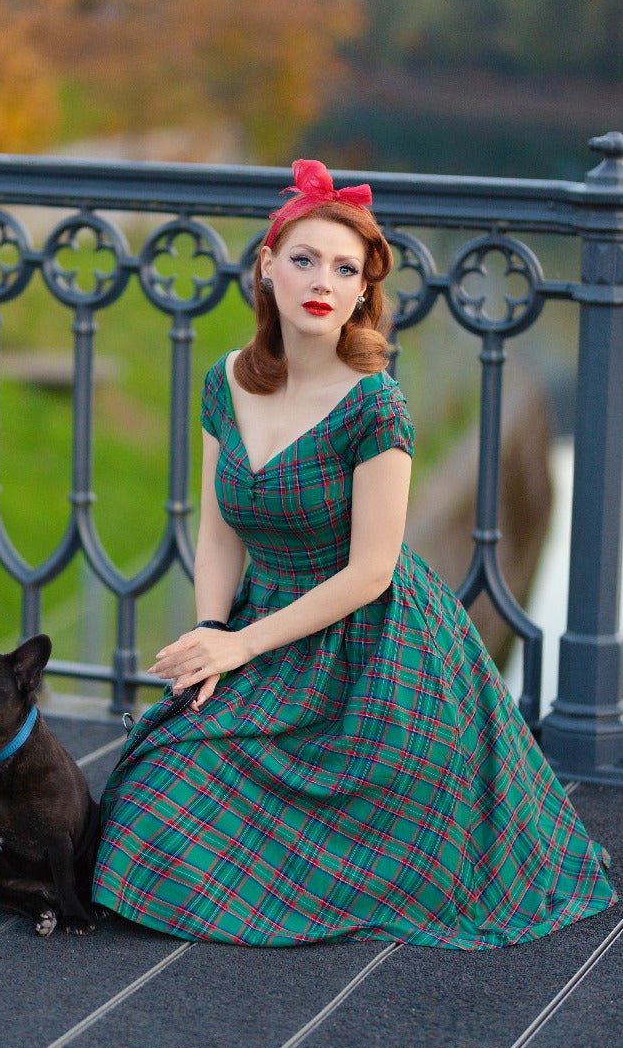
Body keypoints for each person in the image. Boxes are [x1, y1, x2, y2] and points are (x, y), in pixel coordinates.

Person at [91, 159, 616, 948]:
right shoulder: (225, 381)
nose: (322, 283)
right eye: (303, 260)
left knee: (379, 856)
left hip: (371, 650)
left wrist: (240, 643)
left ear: (363, 291)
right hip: (262, 628)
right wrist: (210, 636)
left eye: (345, 270)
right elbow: (219, 530)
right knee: (147, 810)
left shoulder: (376, 403)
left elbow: (372, 572)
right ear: (266, 266)